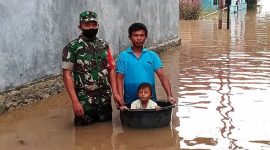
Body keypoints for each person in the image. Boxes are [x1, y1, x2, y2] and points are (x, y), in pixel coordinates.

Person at [62, 10, 121, 126]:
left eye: (94, 25)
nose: (91, 28)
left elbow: (111, 69)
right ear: (80, 27)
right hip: (84, 101)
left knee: (106, 133)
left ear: (98, 25)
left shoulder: (104, 45)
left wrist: (116, 93)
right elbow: (66, 75)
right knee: (82, 137)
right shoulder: (72, 47)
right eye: (87, 25)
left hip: (104, 98)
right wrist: (75, 102)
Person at [116, 22, 176, 107]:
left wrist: (169, 95)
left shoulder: (152, 55)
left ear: (146, 37)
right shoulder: (123, 56)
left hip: (149, 101)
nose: (139, 38)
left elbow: (162, 77)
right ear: (130, 37)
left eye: (142, 35)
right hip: (129, 101)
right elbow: (119, 78)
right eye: (135, 35)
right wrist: (120, 97)